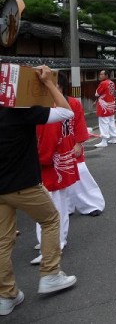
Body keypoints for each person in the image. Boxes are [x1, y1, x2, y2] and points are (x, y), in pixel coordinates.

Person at [0, 65, 77, 316]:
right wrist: (49, 84)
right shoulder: (20, 111)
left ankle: (6, 295)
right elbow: (66, 112)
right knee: (51, 219)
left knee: (2, 241)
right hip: (24, 184)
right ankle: (50, 274)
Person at [31, 75, 82, 265]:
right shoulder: (58, 107)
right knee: (59, 204)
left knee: (50, 207)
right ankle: (56, 241)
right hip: (62, 159)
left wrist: (39, 160)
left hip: (51, 165)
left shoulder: (47, 109)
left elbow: (46, 144)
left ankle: (53, 244)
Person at [57, 73, 105, 218]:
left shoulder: (73, 103)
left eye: (57, 86)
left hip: (71, 146)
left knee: (80, 174)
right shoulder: (43, 105)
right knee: (59, 180)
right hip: (55, 150)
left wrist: (78, 144)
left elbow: (79, 125)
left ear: (62, 87)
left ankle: (92, 204)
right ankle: (66, 207)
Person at [93, 70, 116, 147]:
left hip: (104, 105)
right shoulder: (112, 83)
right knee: (111, 122)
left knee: (103, 123)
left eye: (101, 74)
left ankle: (104, 141)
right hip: (111, 104)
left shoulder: (103, 83)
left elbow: (97, 93)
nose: (100, 75)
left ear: (106, 75)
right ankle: (113, 138)